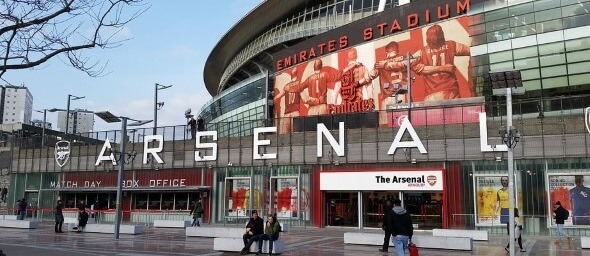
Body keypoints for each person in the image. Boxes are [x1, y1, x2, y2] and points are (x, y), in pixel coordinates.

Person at [413, 24, 471, 101]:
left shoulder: (422, 52)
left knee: (433, 113)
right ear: (441, 34)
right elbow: (472, 50)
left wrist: (427, 68)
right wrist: (443, 68)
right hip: (450, 90)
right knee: (455, 112)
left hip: (431, 93)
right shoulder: (451, 45)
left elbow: (408, 63)